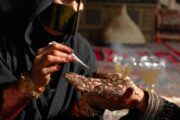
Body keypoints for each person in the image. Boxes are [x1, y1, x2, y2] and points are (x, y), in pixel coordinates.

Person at [0, 0, 103, 119]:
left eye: (81, 1)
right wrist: (30, 83)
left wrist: (93, 104)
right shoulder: (5, 40)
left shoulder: (82, 51)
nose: (74, 8)